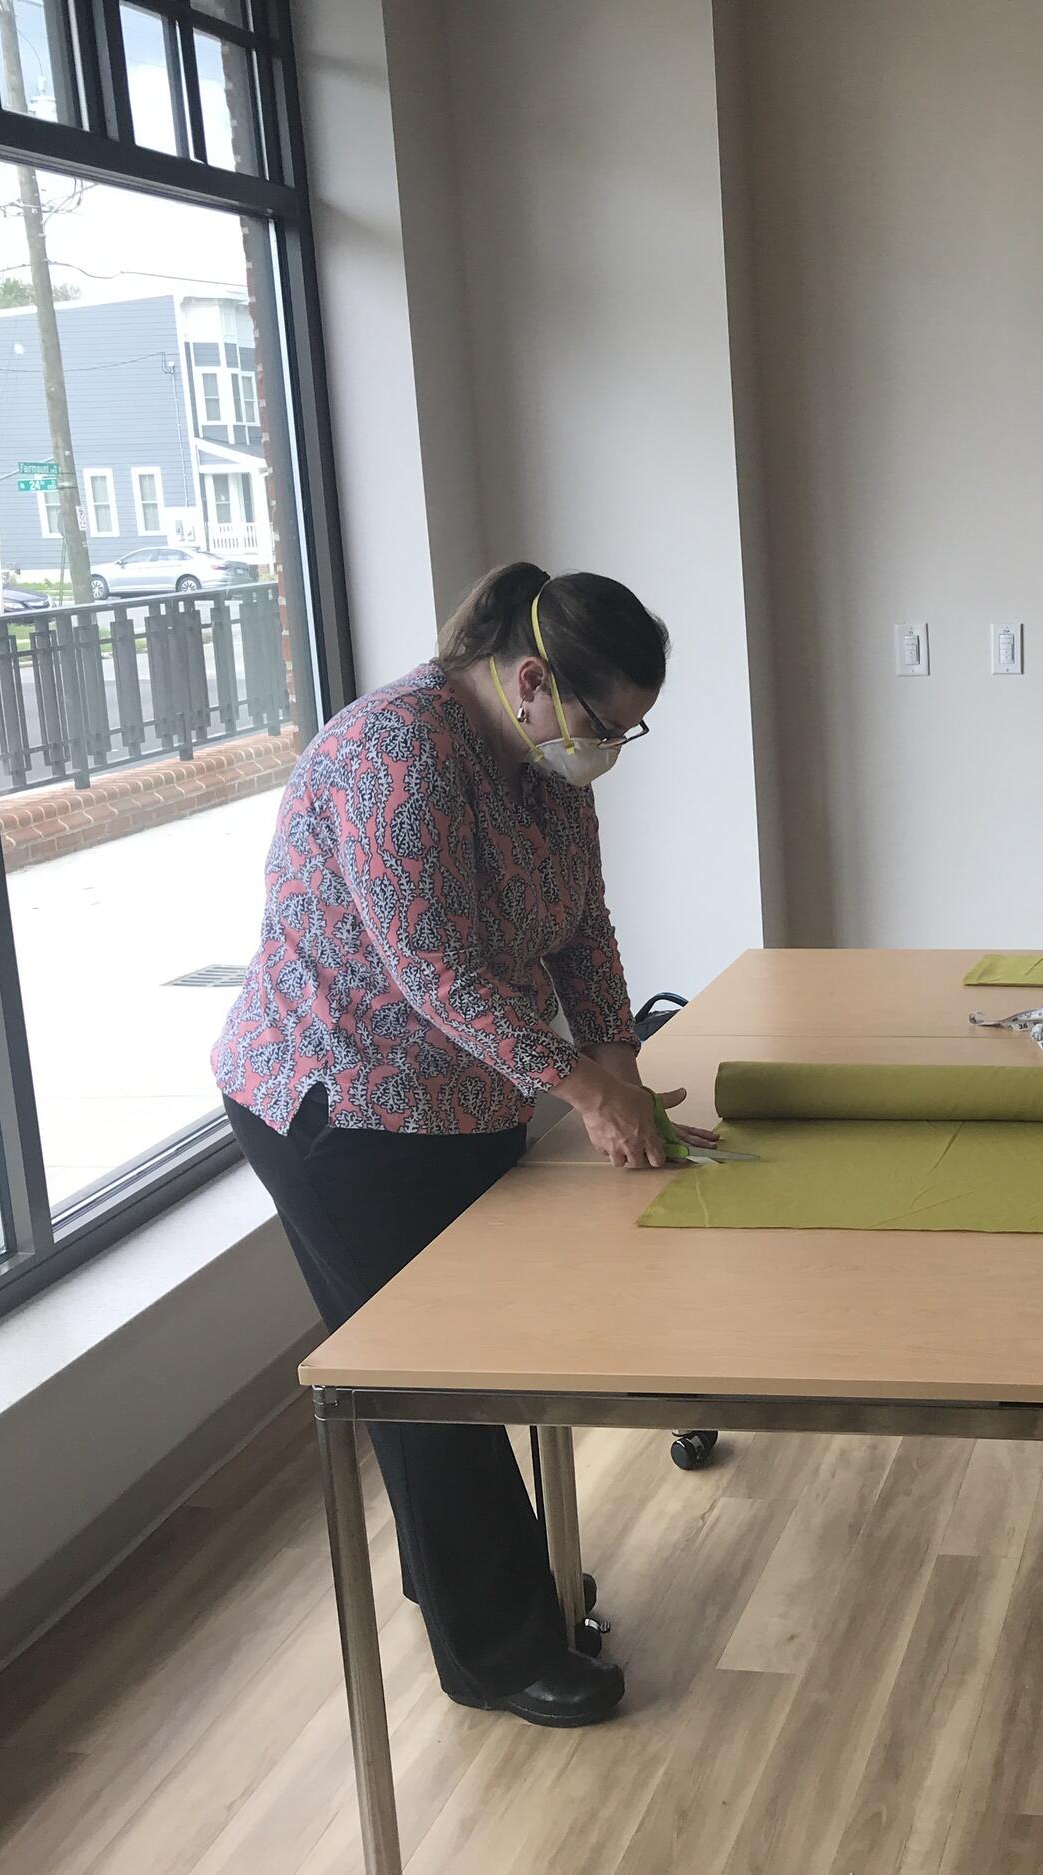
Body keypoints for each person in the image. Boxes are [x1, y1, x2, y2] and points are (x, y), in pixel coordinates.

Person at [213, 563, 718, 1728]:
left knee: (484, 1355)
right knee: (429, 1384)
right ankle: (496, 1653)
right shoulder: (400, 754)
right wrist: (585, 1093)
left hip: (461, 1094)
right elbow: (432, 966)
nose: (608, 749)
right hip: (336, 1107)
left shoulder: (541, 765)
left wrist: (621, 1067)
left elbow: (581, 928)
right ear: (532, 679)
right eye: (605, 724)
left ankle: (478, 1583)